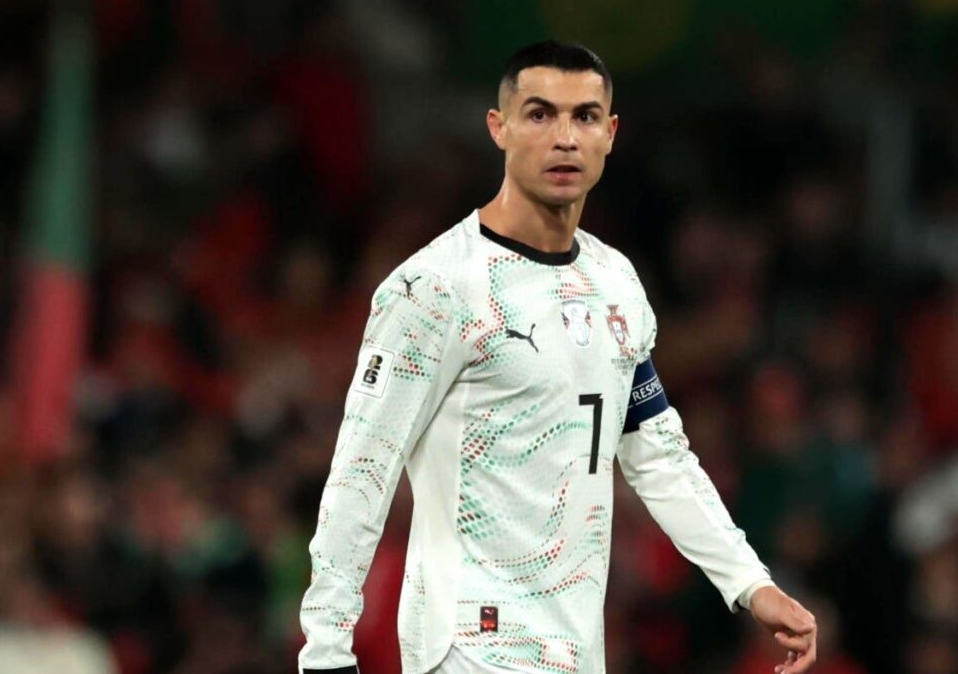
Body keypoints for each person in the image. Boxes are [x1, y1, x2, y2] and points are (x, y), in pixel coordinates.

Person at [298, 40, 817, 674]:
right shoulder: (435, 288)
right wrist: (325, 652)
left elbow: (657, 453)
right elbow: (362, 470)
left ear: (610, 133)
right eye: (541, 114)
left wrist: (749, 582)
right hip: (468, 646)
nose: (565, 138)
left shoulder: (616, 282)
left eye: (585, 116)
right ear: (500, 127)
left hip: (575, 648)